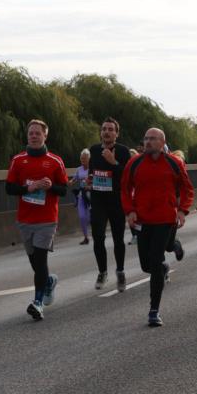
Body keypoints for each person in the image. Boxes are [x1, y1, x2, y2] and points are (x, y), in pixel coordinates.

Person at [121, 127, 194, 326]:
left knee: (154, 262)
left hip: (165, 219)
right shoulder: (134, 163)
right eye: (146, 138)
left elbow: (187, 189)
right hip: (143, 221)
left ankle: (154, 310)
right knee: (147, 265)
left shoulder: (174, 162)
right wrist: (130, 211)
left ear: (162, 143)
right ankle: (167, 259)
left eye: (152, 139)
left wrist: (182, 210)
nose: (148, 142)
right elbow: (125, 189)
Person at [5, 119, 68, 320]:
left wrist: (50, 187)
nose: (33, 136)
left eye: (37, 133)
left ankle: (38, 302)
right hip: (25, 219)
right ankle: (48, 281)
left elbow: (64, 190)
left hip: (47, 220)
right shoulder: (18, 160)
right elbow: (9, 188)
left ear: (45, 136)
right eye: (31, 133)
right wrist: (28, 188)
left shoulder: (55, 161)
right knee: (34, 262)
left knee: (40, 260)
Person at [88, 118, 131, 292]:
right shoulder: (93, 150)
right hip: (98, 200)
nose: (106, 132)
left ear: (116, 133)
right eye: (104, 129)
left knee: (118, 239)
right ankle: (102, 272)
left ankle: (120, 271)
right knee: (98, 237)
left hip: (116, 201)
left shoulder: (123, 151)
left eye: (110, 129)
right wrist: (90, 180)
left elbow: (128, 176)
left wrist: (114, 162)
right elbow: (92, 172)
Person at [70, 149, 91, 244]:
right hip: (81, 195)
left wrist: (90, 186)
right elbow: (74, 179)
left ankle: (98, 233)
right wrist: (70, 182)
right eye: (81, 158)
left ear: (89, 159)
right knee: (82, 217)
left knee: (90, 218)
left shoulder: (93, 169)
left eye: (85, 158)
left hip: (91, 195)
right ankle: (86, 237)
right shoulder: (79, 169)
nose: (83, 160)